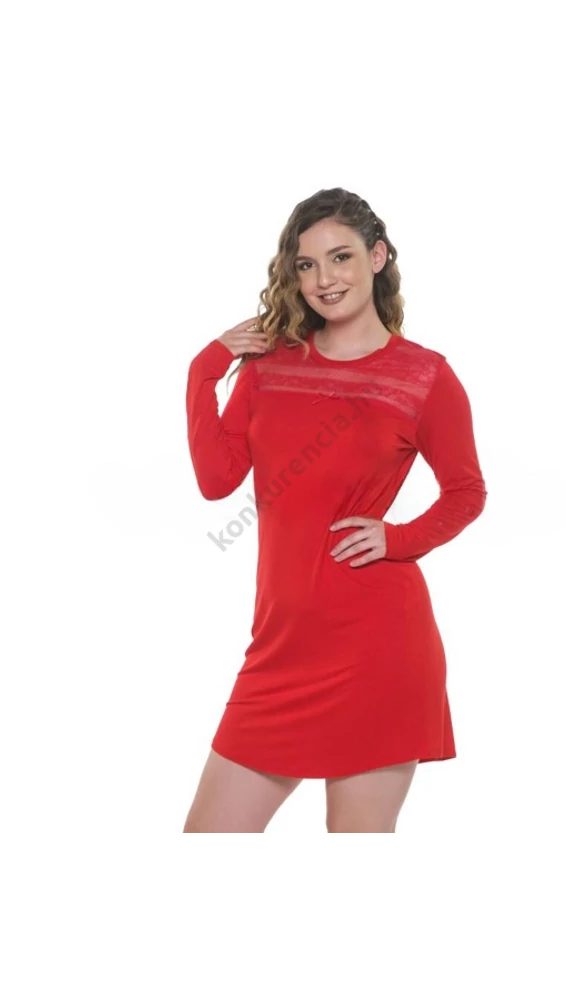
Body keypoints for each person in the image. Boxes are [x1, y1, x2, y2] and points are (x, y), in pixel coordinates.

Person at [184, 187, 487, 840]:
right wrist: (204, 370)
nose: (324, 279)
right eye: (307, 264)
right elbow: (216, 480)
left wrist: (398, 538)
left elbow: (466, 491)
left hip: (378, 646)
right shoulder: (269, 367)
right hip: (279, 648)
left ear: (377, 257)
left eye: (341, 257)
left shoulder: (423, 376)